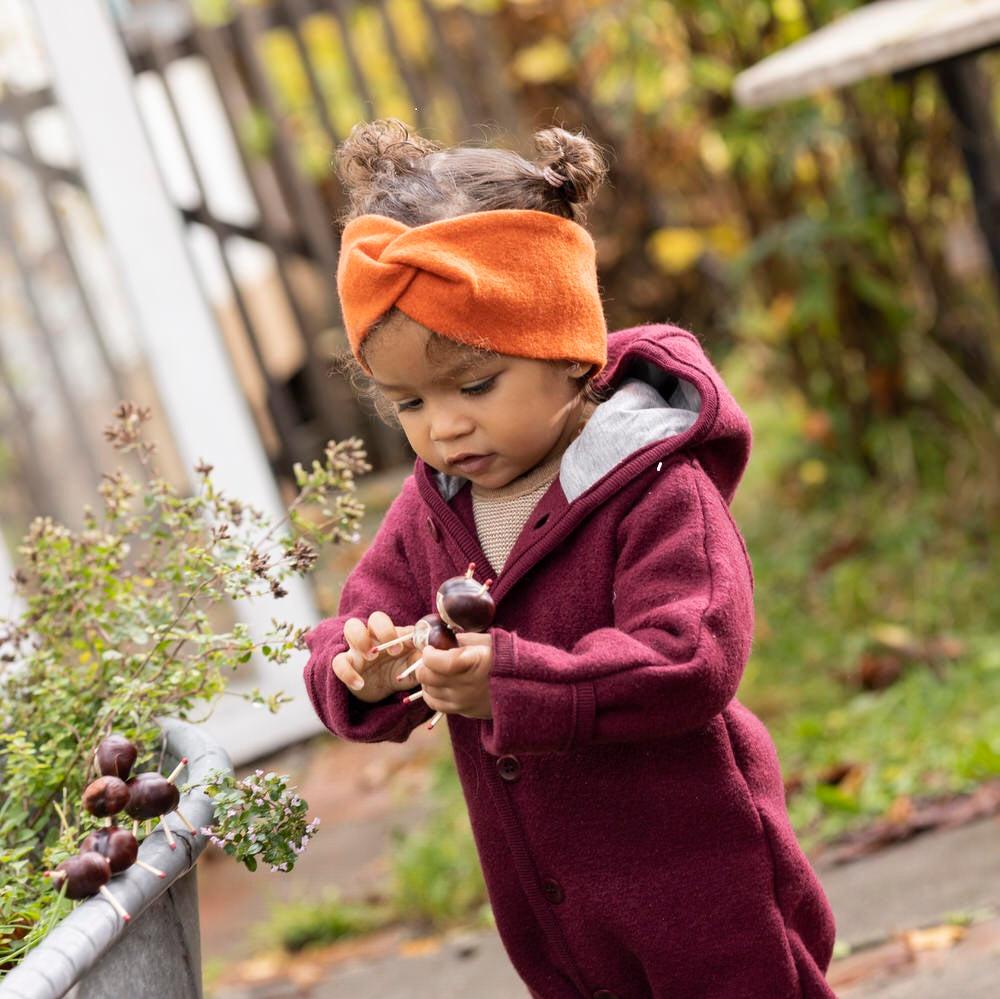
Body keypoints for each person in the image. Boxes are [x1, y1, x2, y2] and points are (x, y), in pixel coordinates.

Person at [302, 118, 837, 999]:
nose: (446, 425)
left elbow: (692, 657)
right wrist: (362, 670)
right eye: (409, 403)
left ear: (567, 351)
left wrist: (511, 684)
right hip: (553, 913)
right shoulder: (432, 506)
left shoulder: (656, 486)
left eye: (475, 385)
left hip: (703, 884)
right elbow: (352, 621)